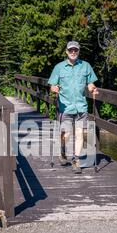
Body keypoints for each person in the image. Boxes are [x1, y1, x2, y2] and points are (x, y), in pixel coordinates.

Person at [48, 41, 99, 174]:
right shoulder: (59, 67)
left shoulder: (85, 66)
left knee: (80, 134)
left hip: (81, 107)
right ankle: (63, 151)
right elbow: (52, 85)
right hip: (65, 107)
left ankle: (76, 160)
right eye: (71, 50)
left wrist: (92, 88)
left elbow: (90, 83)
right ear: (66, 52)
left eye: (75, 50)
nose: (73, 52)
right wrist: (54, 88)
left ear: (78, 51)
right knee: (67, 134)